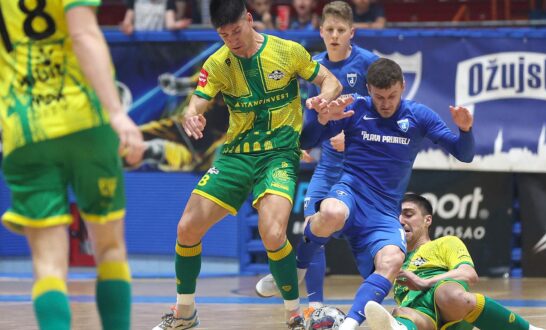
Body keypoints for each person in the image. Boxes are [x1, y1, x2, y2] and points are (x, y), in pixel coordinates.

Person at [151, 0, 342, 329]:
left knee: (272, 233)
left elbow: (331, 81)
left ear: (249, 19)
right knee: (186, 228)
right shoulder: (219, 62)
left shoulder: (287, 51)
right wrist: (191, 113)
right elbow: (199, 97)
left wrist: (323, 99)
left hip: (278, 154)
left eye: (236, 31)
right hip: (236, 155)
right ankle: (184, 314)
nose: (232, 40)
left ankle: (295, 316)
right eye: (224, 35)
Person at [258, 57, 475, 330]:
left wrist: (465, 130)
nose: (385, 103)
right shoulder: (355, 108)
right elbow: (307, 141)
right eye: (379, 96)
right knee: (330, 211)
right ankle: (298, 268)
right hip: (350, 192)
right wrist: (323, 118)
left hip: (384, 212)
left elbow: (463, 154)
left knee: (393, 259)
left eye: (392, 96)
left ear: (403, 87)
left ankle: (348, 325)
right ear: (368, 88)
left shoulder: (419, 116)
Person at [0, 1, 144, 330]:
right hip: (87, 122)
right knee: (109, 249)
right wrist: (117, 113)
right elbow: (82, 33)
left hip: (26, 130)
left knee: (47, 266)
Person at [255, 0, 379, 315]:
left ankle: (389, 302)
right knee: (312, 226)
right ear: (320, 31)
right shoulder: (314, 66)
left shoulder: (368, 63)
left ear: (352, 32)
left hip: (361, 167)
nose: (335, 35)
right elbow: (304, 113)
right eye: (329, 30)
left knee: (371, 240)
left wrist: (351, 136)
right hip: (328, 164)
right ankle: (315, 308)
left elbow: (385, 111)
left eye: (341, 30)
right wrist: (300, 140)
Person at [364, 193, 546, 330]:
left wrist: (424, 282)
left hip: (452, 309)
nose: (401, 220)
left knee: (448, 294)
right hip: (421, 318)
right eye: (397, 216)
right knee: (400, 313)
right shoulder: (393, 258)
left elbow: (469, 275)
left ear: (427, 220)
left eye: (408, 214)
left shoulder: (445, 242)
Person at [120, 0, 192, 35]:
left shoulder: (168, 2)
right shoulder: (134, 1)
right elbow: (127, 22)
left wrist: (178, 25)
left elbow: (170, 24)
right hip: (138, 43)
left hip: (158, 44)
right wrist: (127, 27)